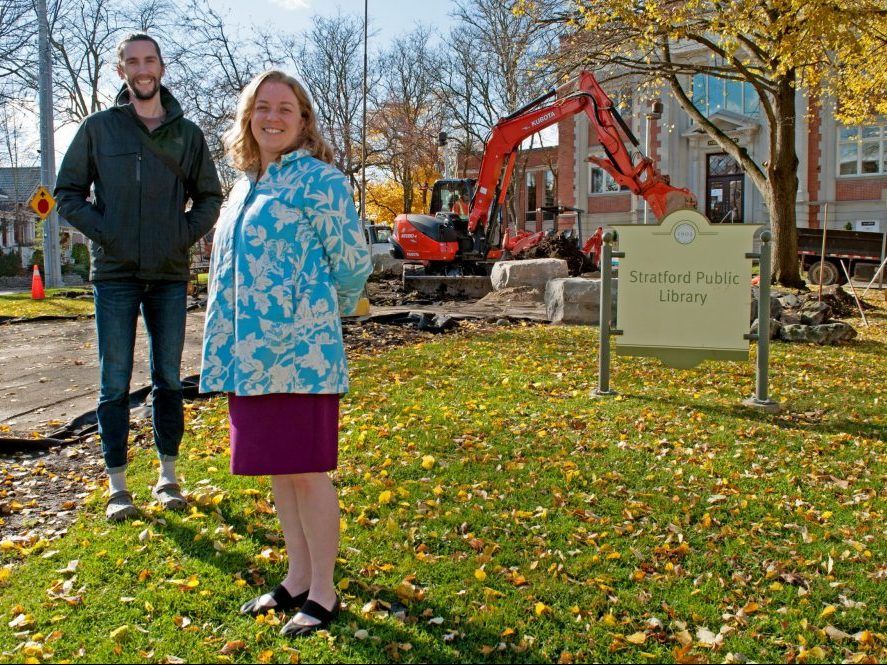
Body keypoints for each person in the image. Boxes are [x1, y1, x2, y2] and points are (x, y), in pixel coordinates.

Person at [199, 70, 372, 638]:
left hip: (300, 354)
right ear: (249, 115)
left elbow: (352, 267)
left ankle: (324, 591)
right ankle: (297, 577)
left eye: (286, 109)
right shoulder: (243, 184)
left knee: (307, 471)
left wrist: (313, 313)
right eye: (263, 106)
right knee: (278, 468)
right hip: (248, 357)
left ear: (303, 122)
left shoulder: (320, 182)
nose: (273, 116)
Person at [55, 33, 222, 522]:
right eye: (133, 61)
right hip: (116, 275)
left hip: (170, 275)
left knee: (168, 379)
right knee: (113, 382)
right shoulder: (98, 129)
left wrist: (180, 237)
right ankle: (117, 486)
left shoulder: (187, 134)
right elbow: (68, 194)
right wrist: (108, 235)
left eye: (150, 60)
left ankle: (168, 478)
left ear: (162, 68)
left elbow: (210, 197)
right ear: (121, 70)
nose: (142, 68)